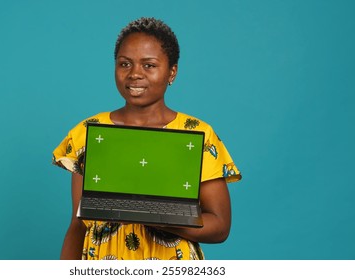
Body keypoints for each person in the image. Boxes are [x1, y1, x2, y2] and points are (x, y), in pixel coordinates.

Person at [52, 17, 241, 260]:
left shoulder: (198, 135)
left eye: (149, 65)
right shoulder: (88, 132)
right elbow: (78, 225)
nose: (135, 74)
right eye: (125, 64)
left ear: (172, 72)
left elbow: (221, 226)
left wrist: (161, 220)